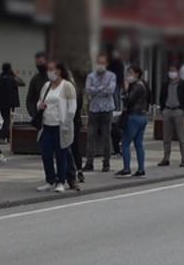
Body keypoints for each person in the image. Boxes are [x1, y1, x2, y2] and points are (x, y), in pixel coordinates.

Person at [35, 61, 77, 192]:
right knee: (46, 154)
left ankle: (61, 181)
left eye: (52, 69)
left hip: (61, 126)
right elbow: (40, 101)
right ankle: (50, 179)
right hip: (47, 125)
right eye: (48, 70)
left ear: (59, 71)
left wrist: (67, 122)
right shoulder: (46, 86)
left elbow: (72, 107)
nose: (49, 72)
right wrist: (39, 106)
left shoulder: (67, 86)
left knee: (61, 155)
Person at [83, 54, 117, 172]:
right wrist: (102, 88)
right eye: (98, 62)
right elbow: (88, 89)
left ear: (106, 64)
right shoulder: (91, 76)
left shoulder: (112, 76)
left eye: (102, 63)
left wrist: (96, 89)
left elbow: (111, 90)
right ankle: (89, 162)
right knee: (90, 136)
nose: (100, 65)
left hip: (107, 109)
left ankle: (106, 163)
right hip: (94, 109)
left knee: (106, 136)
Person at [116, 66, 148, 177]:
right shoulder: (142, 84)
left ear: (137, 74)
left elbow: (129, 100)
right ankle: (141, 169)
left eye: (131, 73)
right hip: (142, 116)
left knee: (125, 143)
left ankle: (126, 168)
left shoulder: (137, 86)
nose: (128, 75)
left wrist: (125, 90)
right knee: (138, 143)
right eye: (128, 73)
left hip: (134, 116)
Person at [158, 64, 184, 167]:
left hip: (178, 111)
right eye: (170, 70)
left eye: (173, 70)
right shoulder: (165, 84)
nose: (171, 73)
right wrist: (162, 110)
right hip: (167, 110)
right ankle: (166, 158)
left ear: (177, 72)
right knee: (166, 137)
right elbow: (162, 97)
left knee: (182, 137)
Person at [0, 63, 23, 144]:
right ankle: (3, 137)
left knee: (6, 119)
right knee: (8, 120)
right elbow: (22, 83)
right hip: (11, 103)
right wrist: (15, 75)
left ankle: (9, 137)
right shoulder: (12, 79)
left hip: (1, 102)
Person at [25, 52, 49, 119]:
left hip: (54, 117)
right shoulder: (35, 79)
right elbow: (29, 100)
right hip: (39, 116)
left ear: (46, 61)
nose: (39, 65)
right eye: (37, 63)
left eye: (41, 62)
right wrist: (33, 114)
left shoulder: (54, 78)